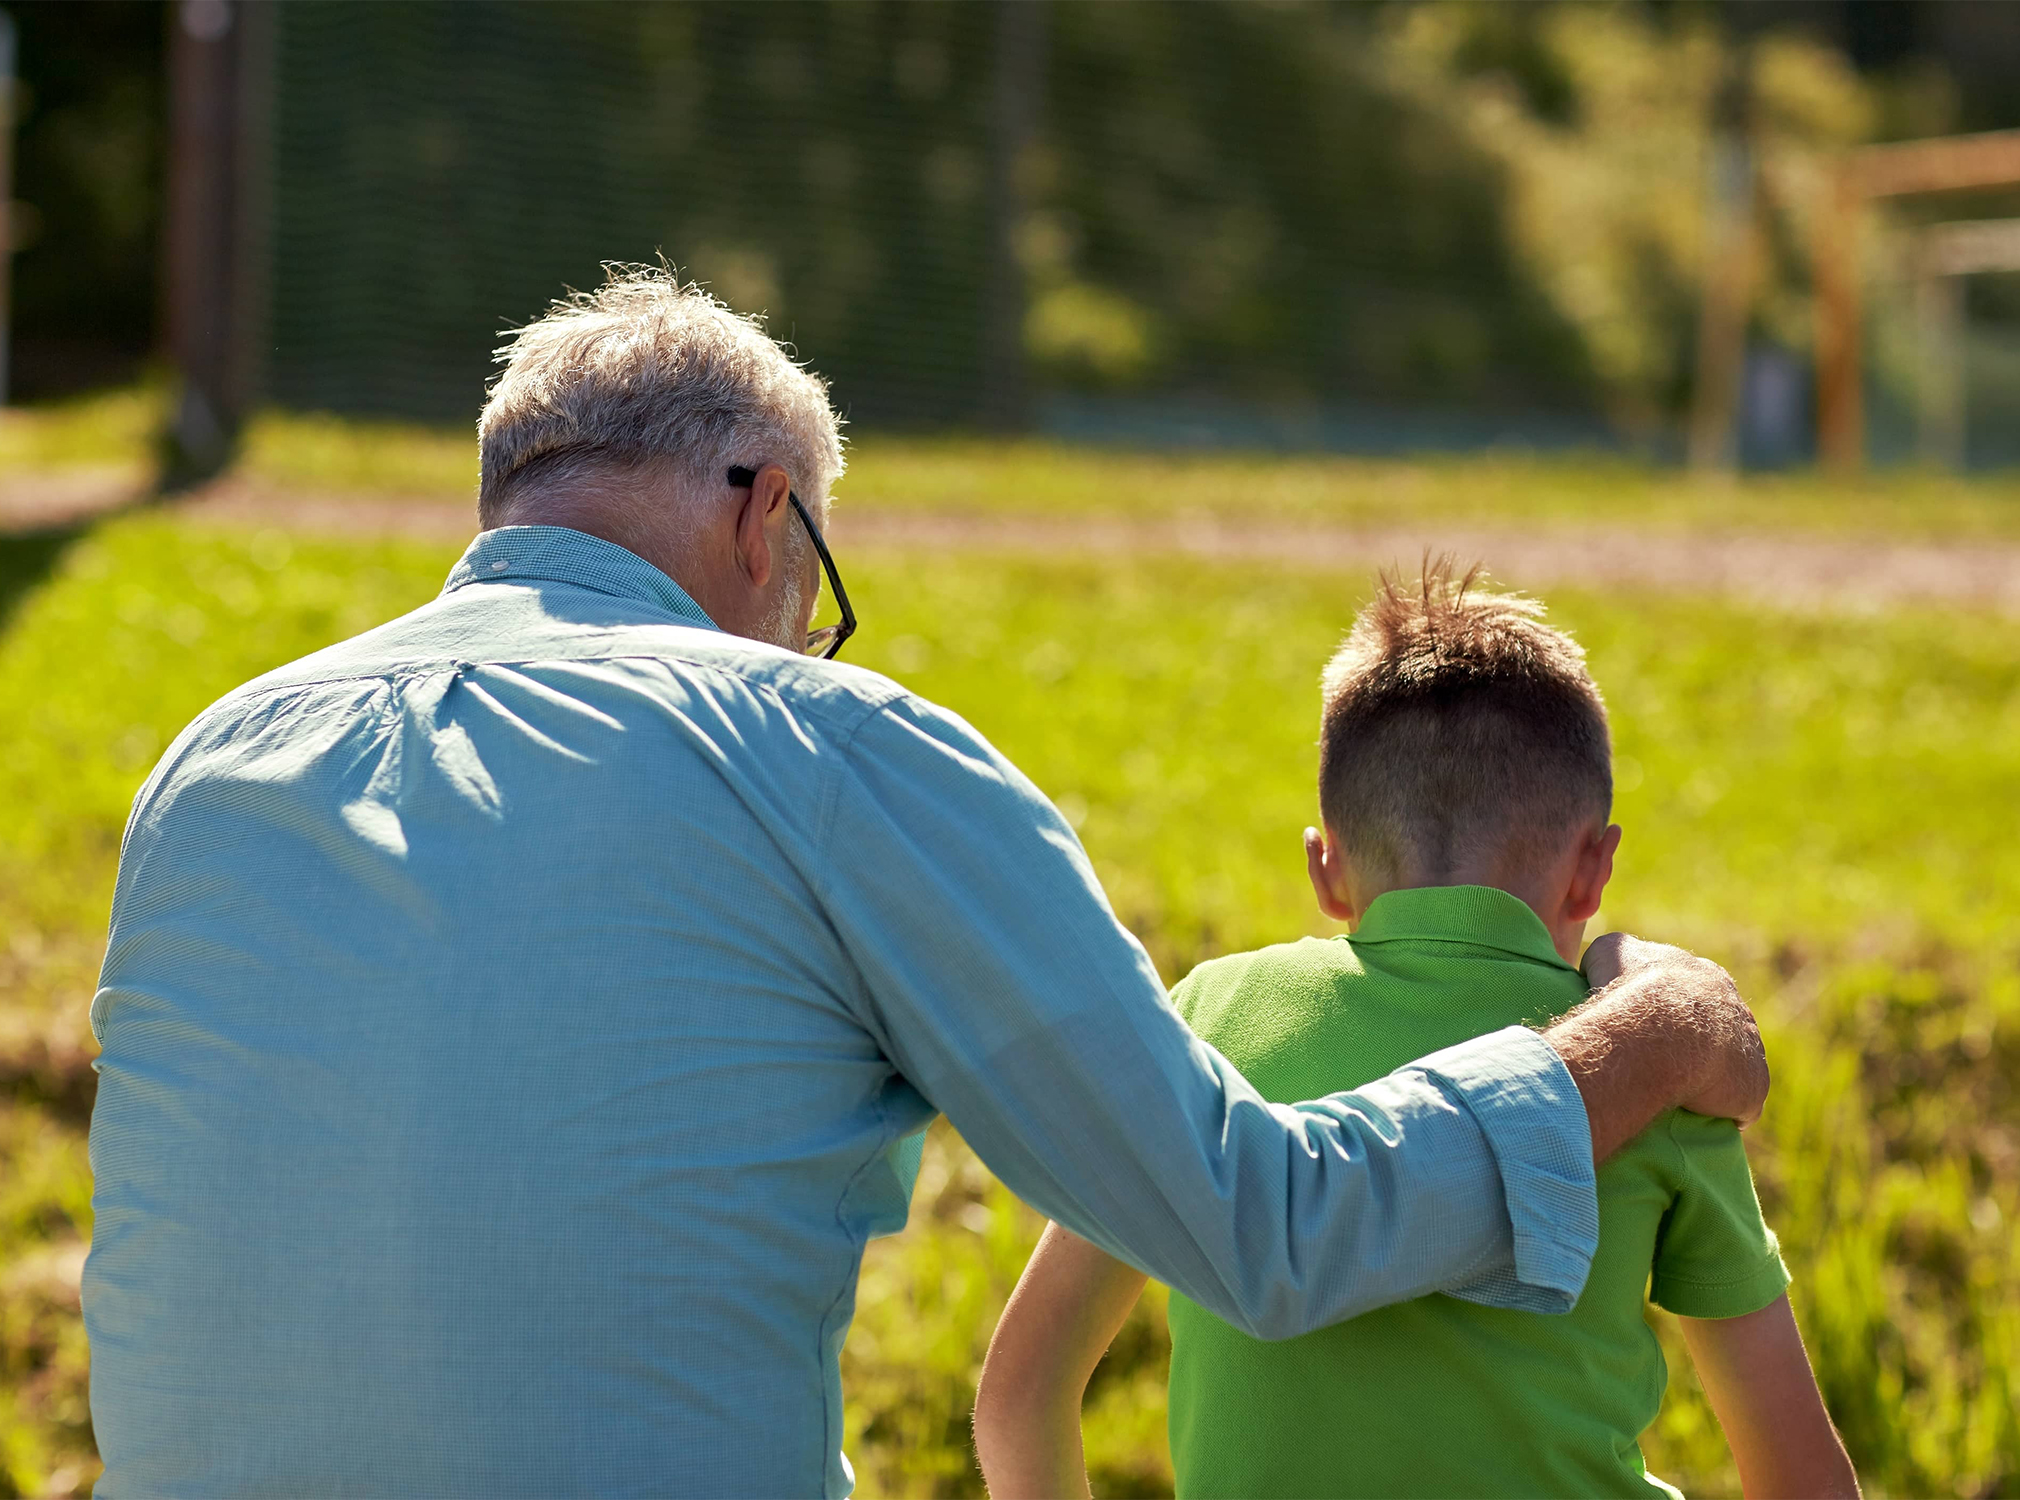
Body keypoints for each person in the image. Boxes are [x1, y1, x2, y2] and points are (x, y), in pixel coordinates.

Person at [86, 267, 1768, 1499]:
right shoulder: (820, 744)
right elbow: (1263, 1225)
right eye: (818, 578)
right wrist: (1650, 1034)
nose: (813, 626)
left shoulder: (208, 764)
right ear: (764, 520)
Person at [975, 563, 1856, 1500]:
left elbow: (1021, 1394)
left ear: (1326, 870)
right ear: (1593, 871)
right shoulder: (1657, 1075)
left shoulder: (1210, 1019)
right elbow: (1803, 1479)